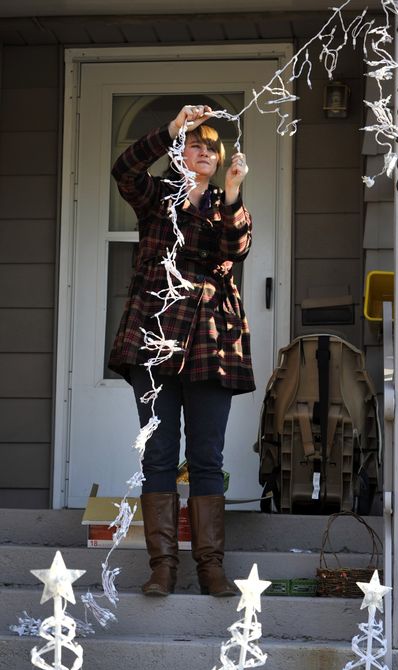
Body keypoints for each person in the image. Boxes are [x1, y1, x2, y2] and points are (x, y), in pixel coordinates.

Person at [109, 104, 255, 598]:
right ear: (178, 151)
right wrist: (172, 127)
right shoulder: (155, 197)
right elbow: (123, 169)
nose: (206, 153)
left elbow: (236, 250)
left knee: (207, 457)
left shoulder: (225, 203)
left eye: (212, 147)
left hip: (213, 341)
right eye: (196, 144)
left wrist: (233, 192)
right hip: (154, 334)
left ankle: (210, 568)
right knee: (159, 455)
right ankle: (163, 568)